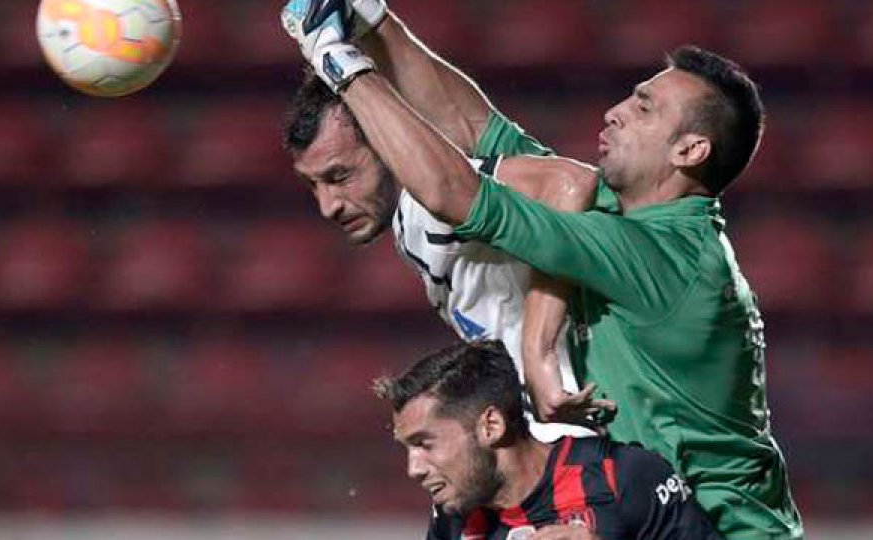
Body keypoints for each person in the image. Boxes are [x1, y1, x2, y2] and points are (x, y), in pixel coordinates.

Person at [279, 1, 804, 538]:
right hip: (644, 516)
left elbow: (454, 193)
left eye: (644, 108)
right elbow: (473, 127)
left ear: (690, 150)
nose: (615, 111)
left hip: (718, 529)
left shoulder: (666, 258)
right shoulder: (616, 215)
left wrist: (339, 61)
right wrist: (374, 21)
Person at [284, 73, 616, 441]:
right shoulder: (411, 221)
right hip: (560, 443)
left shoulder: (435, 201)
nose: (327, 206)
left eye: (339, 176)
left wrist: (538, 351)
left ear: (388, 144)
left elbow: (567, 183)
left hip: (582, 447)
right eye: (312, 185)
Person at [376, 340, 722, 540]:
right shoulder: (453, 518)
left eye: (425, 444)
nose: (413, 470)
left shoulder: (622, 476)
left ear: (491, 426)